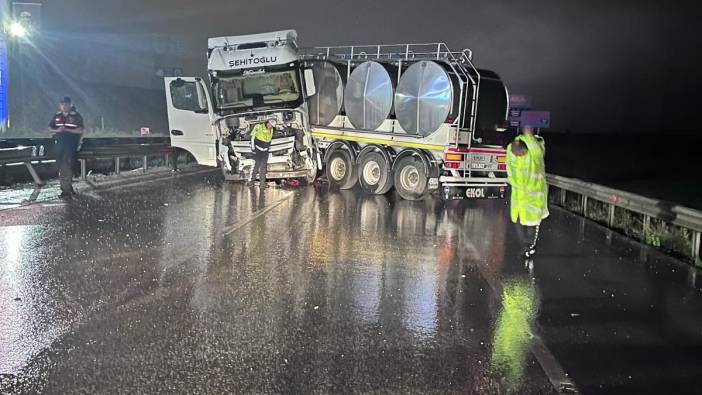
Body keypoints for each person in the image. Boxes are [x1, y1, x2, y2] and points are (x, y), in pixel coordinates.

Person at [506, 125, 549, 258]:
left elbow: (537, 151)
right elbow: (509, 166)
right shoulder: (513, 148)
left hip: (534, 198)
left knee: (532, 225)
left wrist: (529, 137)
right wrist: (513, 183)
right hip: (519, 197)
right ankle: (525, 247)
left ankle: (530, 249)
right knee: (518, 223)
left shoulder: (536, 150)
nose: (519, 156)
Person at [49, 96, 84, 199]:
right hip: (59, 146)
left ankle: (65, 190)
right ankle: (67, 188)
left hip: (71, 146)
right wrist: (57, 130)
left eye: (66, 104)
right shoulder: (57, 116)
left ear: (70, 104)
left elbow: (80, 130)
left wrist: (66, 130)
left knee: (66, 167)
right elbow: (50, 128)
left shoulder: (76, 116)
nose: (64, 106)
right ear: (60, 105)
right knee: (62, 167)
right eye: (62, 104)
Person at [248, 119, 275, 188]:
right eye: (270, 124)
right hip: (257, 150)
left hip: (265, 151)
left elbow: (269, 140)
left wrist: (267, 148)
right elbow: (252, 138)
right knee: (256, 166)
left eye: (272, 126)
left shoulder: (271, 130)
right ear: (267, 123)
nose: (270, 126)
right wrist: (253, 149)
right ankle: (251, 182)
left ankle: (262, 183)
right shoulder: (258, 127)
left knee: (263, 167)